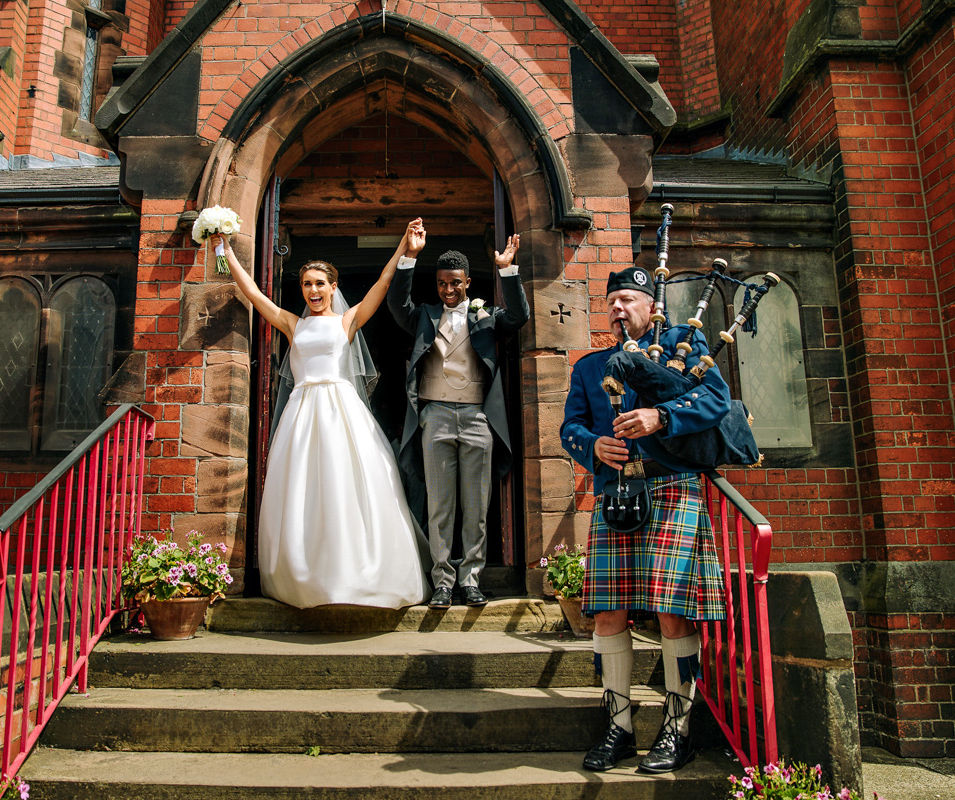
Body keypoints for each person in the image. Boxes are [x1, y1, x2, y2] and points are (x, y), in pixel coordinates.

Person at [560, 266, 729, 774]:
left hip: (672, 485)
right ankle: (619, 729)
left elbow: (716, 400)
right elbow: (570, 426)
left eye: (628, 299)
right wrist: (593, 446)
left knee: (672, 612)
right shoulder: (591, 367)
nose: (618, 308)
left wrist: (663, 416)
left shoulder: (685, 346)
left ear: (650, 306)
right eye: (612, 300)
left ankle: (678, 732)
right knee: (609, 612)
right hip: (617, 492)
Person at [210, 222, 429, 609]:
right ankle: (304, 576)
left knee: (347, 487)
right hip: (301, 415)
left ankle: (359, 574)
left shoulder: (348, 321)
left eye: (319, 284)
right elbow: (254, 294)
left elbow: (382, 281)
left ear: (333, 287)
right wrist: (224, 250)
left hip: (342, 412)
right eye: (307, 285)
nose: (313, 290)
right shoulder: (292, 325)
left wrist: (405, 249)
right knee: (302, 491)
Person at [387, 222, 529, 609]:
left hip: (477, 418)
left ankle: (470, 579)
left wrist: (506, 270)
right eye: (442, 284)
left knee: (476, 506)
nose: (449, 291)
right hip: (434, 416)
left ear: (468, 282)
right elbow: (397, 306)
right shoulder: (424, 316)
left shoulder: (487, 314)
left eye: (456, 284)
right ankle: (443, 583)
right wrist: (409, 257)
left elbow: (518, 316)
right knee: (440, 504)